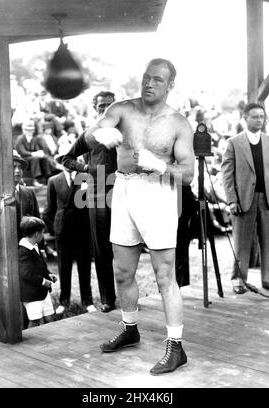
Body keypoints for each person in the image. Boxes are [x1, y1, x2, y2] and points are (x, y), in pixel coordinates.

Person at [83, 59, 195, 375]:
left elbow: (188, 174)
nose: (148, 84)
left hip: (159, 192)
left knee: (163, 274)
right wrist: (100, 133)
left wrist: (160, 165)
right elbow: (94, 130)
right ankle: (130, 328)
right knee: (121, 270)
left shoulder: (178, 123)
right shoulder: (123, 109)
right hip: (124, 188)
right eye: (146, 77)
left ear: (170, 85)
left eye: (157, 79)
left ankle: (176, 347)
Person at [62, 91, 117, 313]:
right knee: (102, 248)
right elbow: (66, 158)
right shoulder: (90, 134)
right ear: (95, 108)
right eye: (101, 105)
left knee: (128, 245)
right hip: (98, 194)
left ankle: (130, 296)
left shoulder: (127, 131)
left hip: (123, 190)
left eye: (110, 105)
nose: (106, 109)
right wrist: (87, 169)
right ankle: (107, 298)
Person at [221, 102, 269, 294]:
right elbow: (227, 175)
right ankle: (238, 279)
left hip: (268, 199)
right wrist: (231, 200)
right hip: (243, 199)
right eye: (255, 116)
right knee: (241, 242)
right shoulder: (234, 143)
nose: (259, 120)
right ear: (245, 118)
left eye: (262, 116)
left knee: (268, 241)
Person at [42, 145, 95, 314]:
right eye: (64, 159)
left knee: (84, 266)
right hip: (63, 232)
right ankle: (64, 301)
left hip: (82, 230)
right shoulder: (54, 181)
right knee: (64, 268)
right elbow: (49, 210)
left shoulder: (86, 178)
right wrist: (55, 228)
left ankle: (88, 301)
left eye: (70, 159)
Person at [18, 216, 57, 328]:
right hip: (32, 295)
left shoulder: (34, 246)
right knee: (35, 321)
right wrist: (44, 281)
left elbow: (38, 266)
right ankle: (30, 345)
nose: (43, 236)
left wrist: (48, 275)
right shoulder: (23, 251)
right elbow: (26, 274)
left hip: (42, 292)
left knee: (50, 317)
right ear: (36, 234)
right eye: (42, 233)